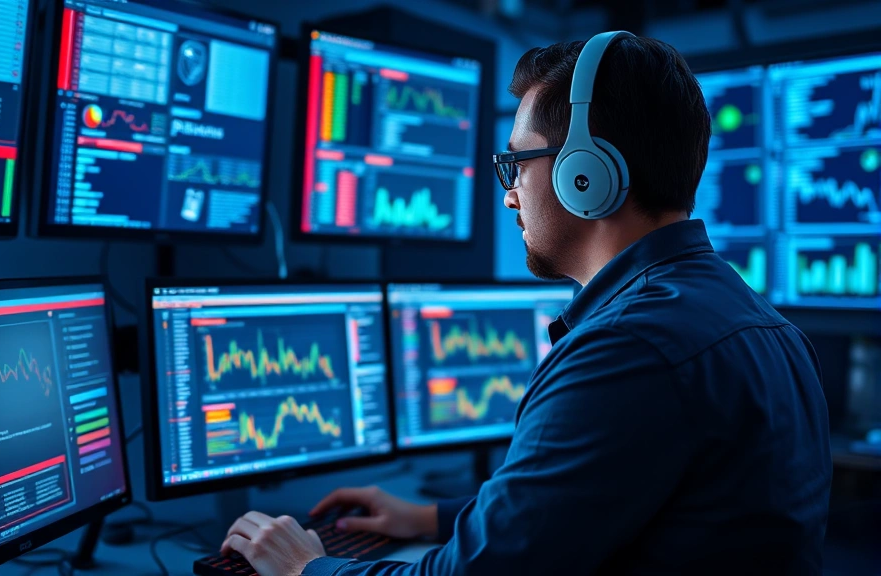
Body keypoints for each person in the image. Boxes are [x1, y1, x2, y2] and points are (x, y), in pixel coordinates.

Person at [219, 33, 832, 576]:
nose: (509, 196)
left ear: (585, 174)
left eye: (515, 162)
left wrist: (305, 568)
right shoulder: (754, 319)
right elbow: (605, 492)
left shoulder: (628, 347)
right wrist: (431, 516)